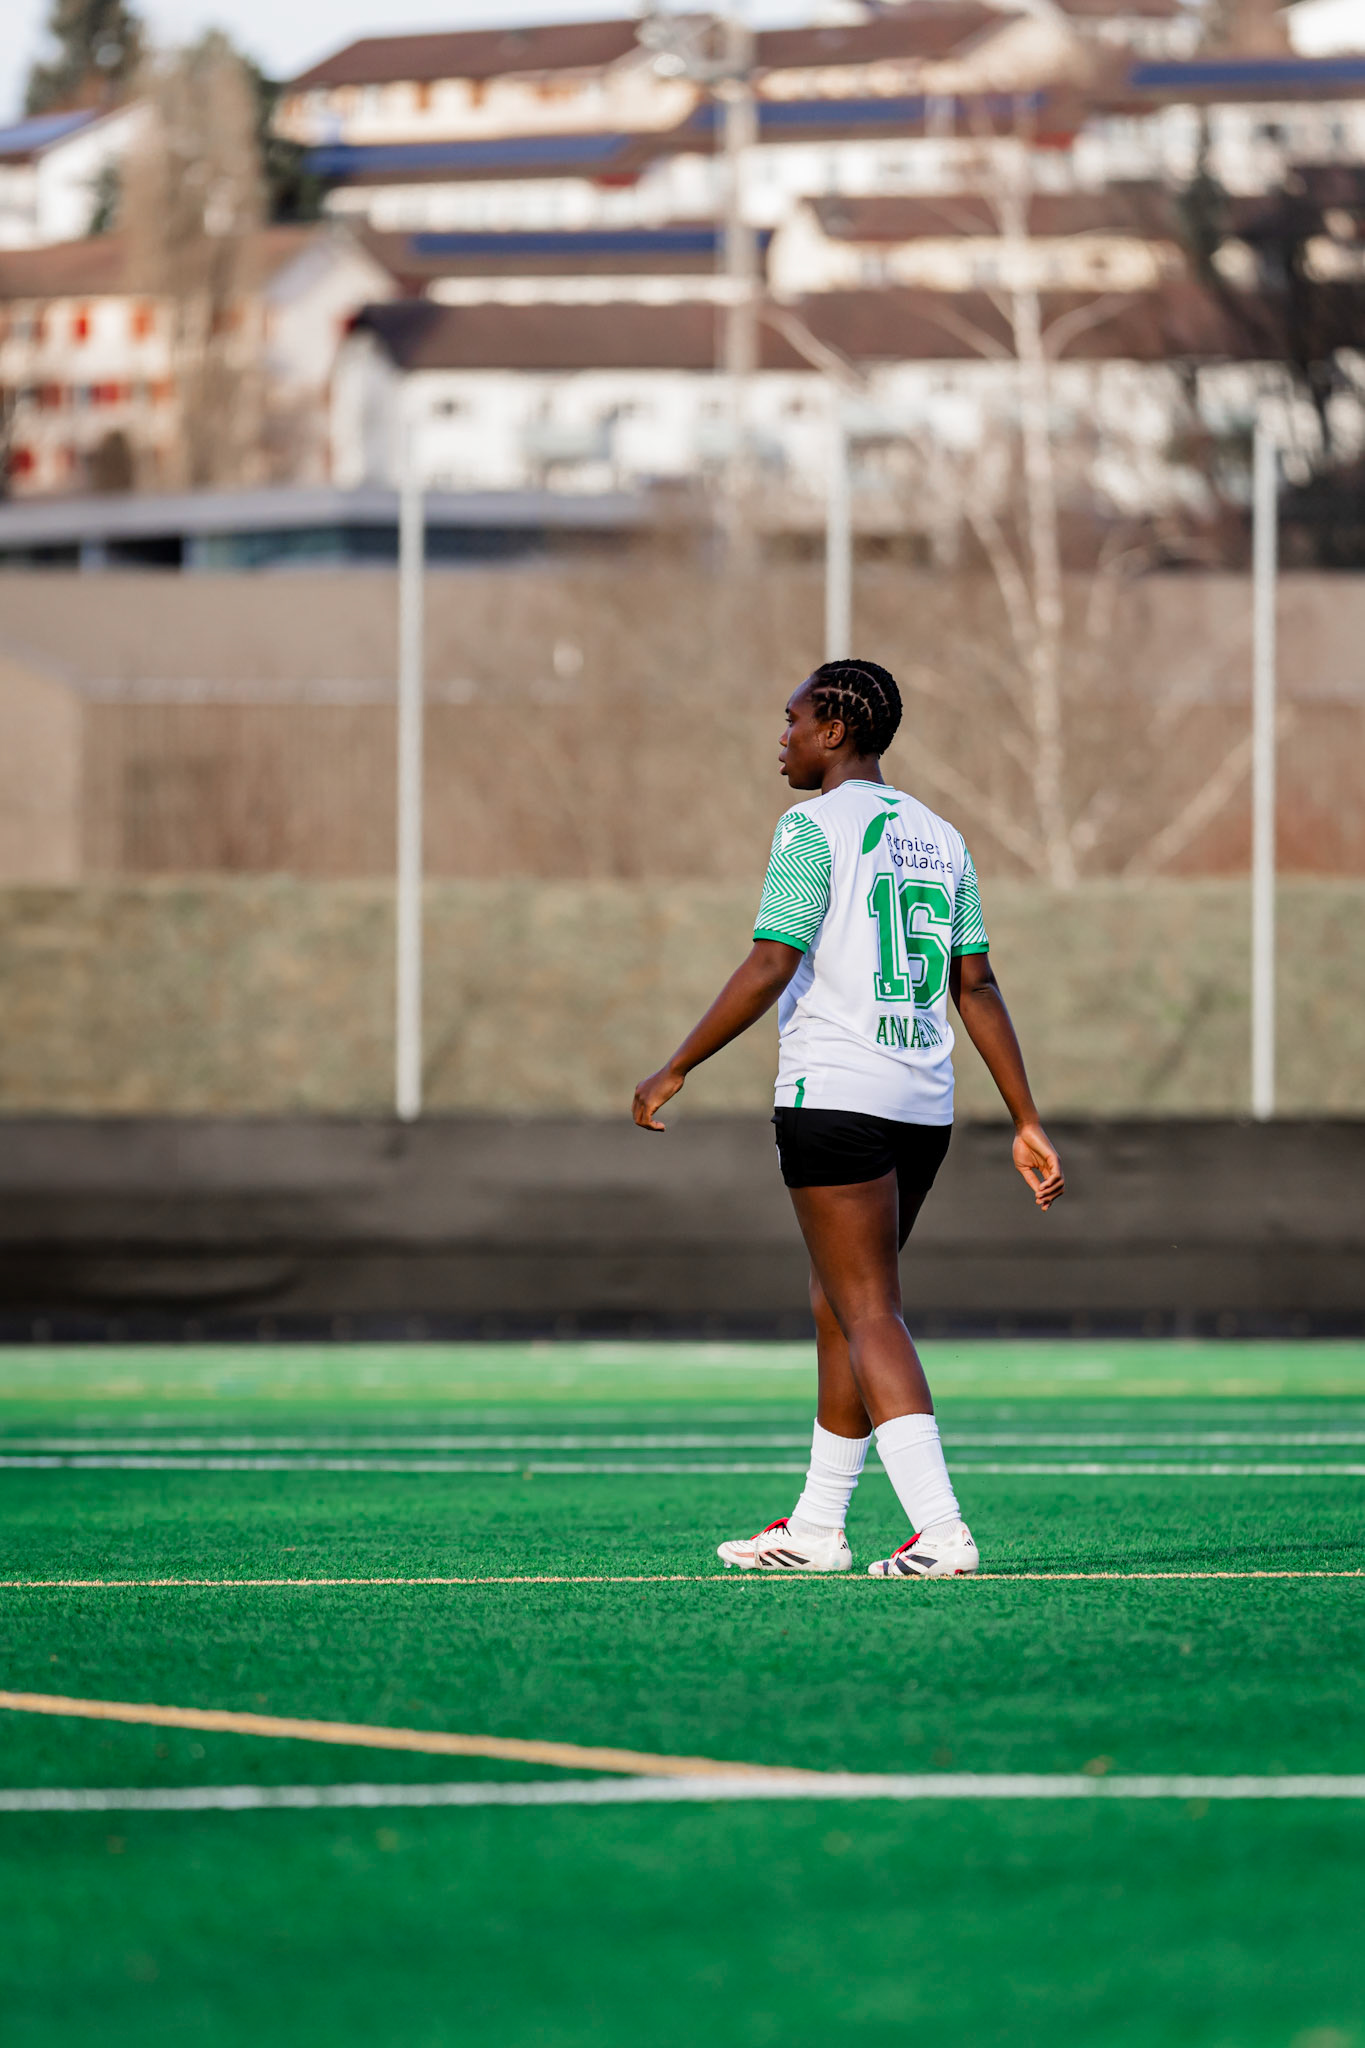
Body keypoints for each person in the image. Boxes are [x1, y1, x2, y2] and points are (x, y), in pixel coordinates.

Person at [631, 657, 1064, 1579]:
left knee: (867, 1309)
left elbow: (768, 961)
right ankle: (816, 1527)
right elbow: (974, 985)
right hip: (922, 1105)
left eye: (789, 721)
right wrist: (1024, 1117)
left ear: (833, 731)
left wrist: (675, 1064)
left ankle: (941, 1531)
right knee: (840, 1302)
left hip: (834, 1095)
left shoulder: (809, 827)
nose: (779, 739)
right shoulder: (941, 836)